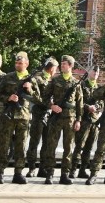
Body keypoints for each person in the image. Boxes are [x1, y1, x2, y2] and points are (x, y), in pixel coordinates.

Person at [0, 51, 37, 184]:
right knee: (3, 145)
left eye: (20, 63)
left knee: (21, 146)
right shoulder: (8, 77)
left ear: (27, 64)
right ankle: (0, 173)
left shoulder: (32, 80)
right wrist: (8, 98)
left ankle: (18, 173)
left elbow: (39, 99)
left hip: (23, 117)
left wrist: (30, 90)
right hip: (8, 116)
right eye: (16, 63)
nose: (18, 65)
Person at [40, 54, 83, 184]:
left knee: (68, 147)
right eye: (61, 63)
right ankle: (50, 173)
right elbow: (45, 97)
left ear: (70, 66)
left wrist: (78, 120)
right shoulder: (55, 80)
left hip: (70, 118)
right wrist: (52, 106)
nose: (61, 66)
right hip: (56, 118)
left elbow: (79, 103)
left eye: (64, 64)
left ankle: (65, 174)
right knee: (51, 146)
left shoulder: (76, 83)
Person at [25, 56, 58, 177]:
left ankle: (42, 169)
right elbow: (35, 97)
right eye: (56, 68)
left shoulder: (54, 80)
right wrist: (49, 104)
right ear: (52, 68)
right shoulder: (37, 78)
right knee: (34, 142)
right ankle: (31, 168)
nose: (56, 70)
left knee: (47, 143)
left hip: (49, 115)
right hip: (39, 114)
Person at [71, 66, 102, 179]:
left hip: (94, 121)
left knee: (89, 148)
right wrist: (87, 107)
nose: (96, 73)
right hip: (84, 119)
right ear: (89, 72)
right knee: (79, 146)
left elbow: (102, 103)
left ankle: (82, 170)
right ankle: (73, 170)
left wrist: (97, 107)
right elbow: (77, 101)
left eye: (98, 72)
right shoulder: (83, 85)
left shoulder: (99, 88)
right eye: (94, 71)